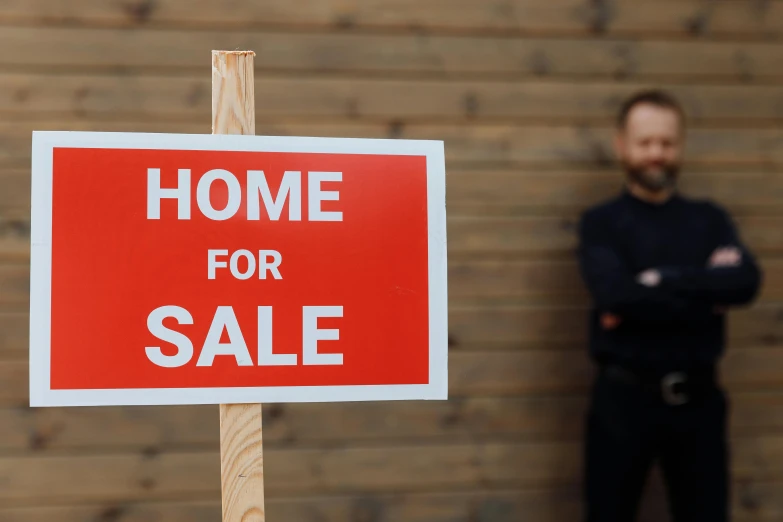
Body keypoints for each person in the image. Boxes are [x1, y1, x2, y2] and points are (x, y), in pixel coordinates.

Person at [577, 89, 763, 522]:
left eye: (667, 142)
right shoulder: (601, 223)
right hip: (623, 400)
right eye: (645, 143)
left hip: (698, 401)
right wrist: (704, 289)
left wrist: (661, 280)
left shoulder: (709, 219)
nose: (656, 154)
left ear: (680, 145)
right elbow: (614, 295)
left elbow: (744, 282)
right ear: (621, 145)